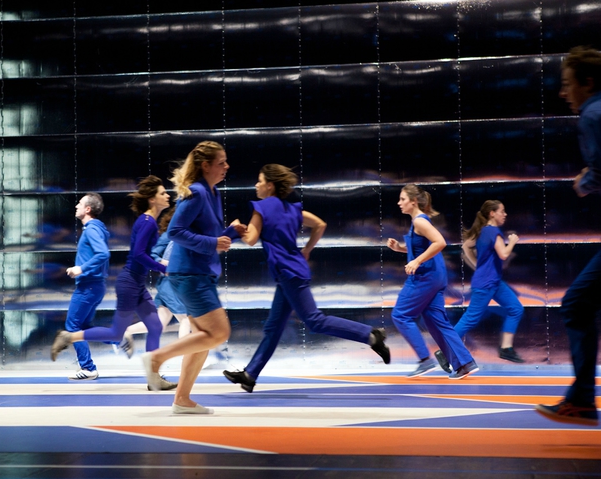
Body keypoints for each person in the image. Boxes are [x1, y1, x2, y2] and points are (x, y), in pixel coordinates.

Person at [223, 165, 390, 392]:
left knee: (314, 320)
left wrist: (233, 230)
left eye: (259, 181)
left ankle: (371, 335)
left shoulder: (261, 208)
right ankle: (250, 375)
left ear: (270, 185)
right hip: (291, 272)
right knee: (274, 328)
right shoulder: (292, 209)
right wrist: (307, 249)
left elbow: (250, 239)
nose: (256, 185)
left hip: (288, 273)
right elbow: (320, 224)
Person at [140, 141, 244, 414]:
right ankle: (155, 359)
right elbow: (176, 231)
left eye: (226, 161)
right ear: (205, 166)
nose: (226, 166)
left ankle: (182, 400)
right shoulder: (196, 193)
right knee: (218, 333)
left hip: (198, 273)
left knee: (202, 338)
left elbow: (208, 233)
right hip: (190, 274)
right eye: (221, 162)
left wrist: (231, 233)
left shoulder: (213, 192)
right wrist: (212, 244)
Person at [51, 177, 175, 389]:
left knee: (154, 327)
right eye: (163, 193)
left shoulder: (149, 222)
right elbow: (138, 255)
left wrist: (162, 264)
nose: (167, 196)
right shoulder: (147, 223)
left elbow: (143, 254)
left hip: (135, 283)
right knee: (117, 333)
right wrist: (164, 268)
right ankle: (70, 336)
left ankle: (154, 378)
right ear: (152, 199)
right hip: (130, 284)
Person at [536, 46, 601, 426]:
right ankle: (580, 400)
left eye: (567, 84)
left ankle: (580, 401)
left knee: (577, 304)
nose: (564, 93)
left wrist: (586, 182)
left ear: (587, 82)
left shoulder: (592, 114)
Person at [387, 184, 479, 379]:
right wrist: (400, 248)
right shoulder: (418, 223)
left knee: (401, 315)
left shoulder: (420, 222)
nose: (399, 203)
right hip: (436, 277)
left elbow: (440, 242)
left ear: (413, 201)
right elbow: (421, 248)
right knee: (436, 322)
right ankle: (464, 363)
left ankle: (424, 360)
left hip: (425, 277)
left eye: (402, 199)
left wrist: (417, 261)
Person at [449, 200, 524, 364]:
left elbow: (466, 246)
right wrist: (512, 241)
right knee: (470, 318)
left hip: (494, 282)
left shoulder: (482, 231)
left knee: (516, 308)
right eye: (502, 211)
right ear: (492, 213)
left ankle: (506, 348)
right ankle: (444, 349)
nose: (505, 215)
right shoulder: (492, 231)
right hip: (486, 284)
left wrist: (478, 265)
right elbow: (503, 254)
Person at [116, 206, 192, 358]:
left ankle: (126, 331)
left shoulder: (184, 233)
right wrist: (162, 262)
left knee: (160, 323)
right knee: (186, 318)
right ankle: (186, 358)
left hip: (169, 284)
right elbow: (152, 254)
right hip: (171, 283)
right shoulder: (171, 234)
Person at [56, 193, 110, 381]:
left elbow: (103, 254)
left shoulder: (91, 229)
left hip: (88, 287)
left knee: (73, 326)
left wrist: (80, 268)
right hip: (95, 286)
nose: (76, 206)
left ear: (88, 209)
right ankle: (119, 337)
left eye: (79, 204)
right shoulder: (95, 229)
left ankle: (88, 368)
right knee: (84, 326)